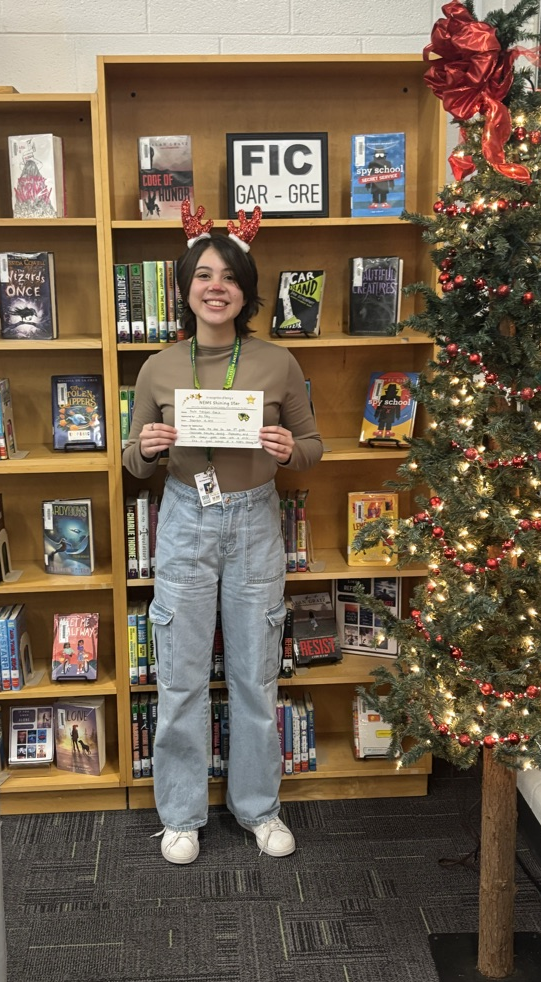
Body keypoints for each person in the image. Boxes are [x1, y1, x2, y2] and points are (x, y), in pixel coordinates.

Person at [122, 201, 323, 865]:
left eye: (230, 277)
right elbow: (130, 460)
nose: (216, 287)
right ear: (184, 289)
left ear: (246, 291)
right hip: (185, 518)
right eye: (204, 275)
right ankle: (180, 816)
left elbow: (313, 447)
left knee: (254, 676)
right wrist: (147, 447)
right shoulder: (158, 367)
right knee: (180, 678)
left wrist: (289, 448)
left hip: (255, 521)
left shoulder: (277, 362)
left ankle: (258, 808)